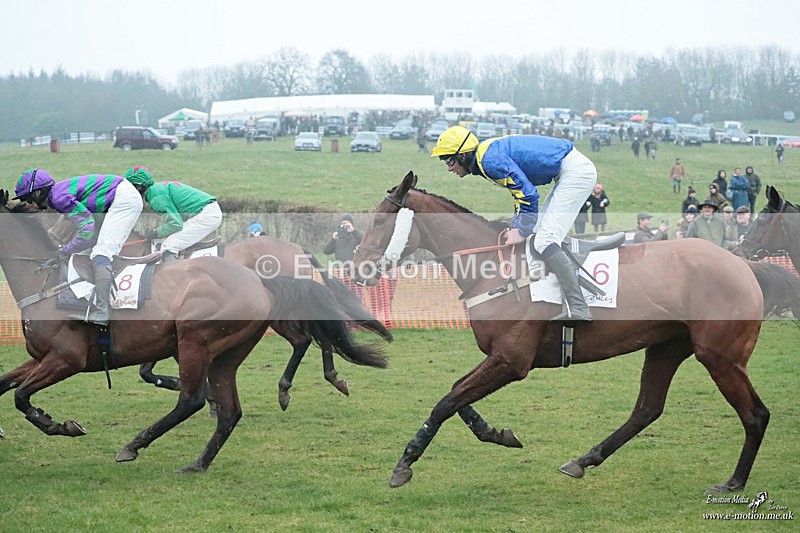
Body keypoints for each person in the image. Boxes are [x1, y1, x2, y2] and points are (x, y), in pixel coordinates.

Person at [431, 125, 597, 323]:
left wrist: (521, 230)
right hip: (566, 171)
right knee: (537, 233)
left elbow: (528, 195)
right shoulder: (485, 157)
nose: (449, 167)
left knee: (544, 240)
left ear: (464, 155)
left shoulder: (489, 161)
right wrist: (519, 226)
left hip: (575, 172)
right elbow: (519, 196)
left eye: (449, 160)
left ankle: (579, 307)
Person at [12, 169, 143, 326]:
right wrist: (69, 248)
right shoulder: (57, 195)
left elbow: (87, 228)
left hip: (123, 199)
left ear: (38, 193)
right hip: (117, 198)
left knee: (101, 254)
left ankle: (102, 312)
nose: (28, 205)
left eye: (27, 199)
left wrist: (66, 249)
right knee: (93, 251)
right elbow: (90, 234)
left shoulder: (59, 198)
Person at [124, 166, 221, 262]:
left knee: (168, 248)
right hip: (206, 211)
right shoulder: (156, 189)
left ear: (138, 187)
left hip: (205, 216)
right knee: (173, 240)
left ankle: (177, 276)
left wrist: (155, 232)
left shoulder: (156, 199)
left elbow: (175, 224)